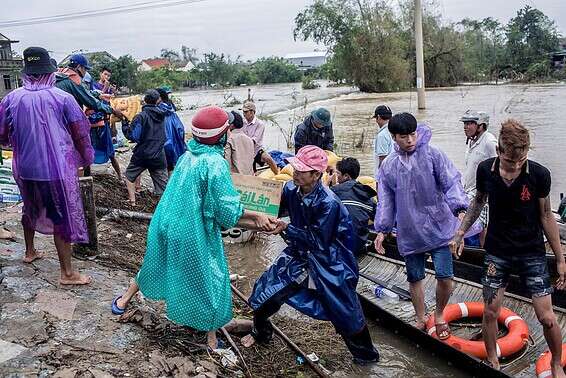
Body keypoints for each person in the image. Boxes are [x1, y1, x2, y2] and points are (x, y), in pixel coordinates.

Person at [111, 106, 276, 350]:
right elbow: (226, 211)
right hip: (192, 232)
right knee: (210, 279)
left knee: (155, 263)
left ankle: (123, 300)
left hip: (165, 222)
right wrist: (257, 217)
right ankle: (211, 341)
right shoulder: (215, 164)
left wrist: (254, 219)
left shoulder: (187, 156)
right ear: (222, 135)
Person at [241, 146, 379, 364]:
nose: (295, 173)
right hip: (299, 255)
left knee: (346, 311)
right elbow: (272, 207)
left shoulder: (328, 202)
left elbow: (319, 240)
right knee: (266, 291)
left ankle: (366, 357)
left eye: (301, 170)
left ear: (316, 175)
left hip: (330, 262)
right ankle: (261, 333)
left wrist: (285, 228)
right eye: (295, 168)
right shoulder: (290, 190)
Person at [450, 120, 566, 374]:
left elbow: (547, 215)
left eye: (521, 160)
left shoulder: (539, 174)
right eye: (511, 162)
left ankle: (556, 362)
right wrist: (459, 234)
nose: (516, 166)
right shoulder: (485, 171)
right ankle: (492, 357)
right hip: (497, 252)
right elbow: (478, 203)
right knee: (491, 311)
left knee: (546, 317)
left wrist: (559, 258)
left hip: (532, 252)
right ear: (499, 151)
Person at [374, 112, 473, 338]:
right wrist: (382, 228)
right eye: (403, 136)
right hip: (410, 229)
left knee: (445, 277)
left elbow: (451, 182)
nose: (410, 140)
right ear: (393, 137)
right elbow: (386, 200)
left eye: (412, 134)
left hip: (440, 226)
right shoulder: (389, 166)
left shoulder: (433, 154)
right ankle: (420, 316)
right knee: (414, 276)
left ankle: (439, 314)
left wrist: (460, 209)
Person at [0, 47, 94, 285]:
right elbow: (80, 133)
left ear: (26, 72)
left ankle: (30, 251)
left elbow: (2, 134)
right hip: (55, 169)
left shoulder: (11, 98)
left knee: (29, 207)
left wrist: (19, 142)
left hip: (25, 167)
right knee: (60, 215)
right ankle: (68, 273)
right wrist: (85, 158)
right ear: (50, 72)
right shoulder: (63, 98)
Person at [55, 54, 123, 177]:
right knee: (82, 152)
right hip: (69, 123)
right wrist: (112, 110)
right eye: (85, 69)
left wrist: (98, 95)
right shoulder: (73, 80)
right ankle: (83, 181)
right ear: (79, 67)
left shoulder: (60, 76)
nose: (85, 72)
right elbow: (91, 102)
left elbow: (84, 93)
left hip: (56, 122)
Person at [122, 90, 168, 205]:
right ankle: (163, 208)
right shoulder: (162, 115)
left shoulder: (141, 116)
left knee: (129, 176)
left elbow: (133, 137)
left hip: (142, 155)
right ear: (158, 101)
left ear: (145, 101)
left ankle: (132, 201)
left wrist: (125, 124)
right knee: (162, 187)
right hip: (159, 155)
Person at [460, 110, 498, 247]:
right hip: (469, 189)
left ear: (480, 126)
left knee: (483, 223)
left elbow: (498, 166)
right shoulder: (471, 142)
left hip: (483, 191)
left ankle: (484, 252)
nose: (466, 127)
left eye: (470, 123)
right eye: (465, 123)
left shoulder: (489, 142)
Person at [331, 157, 376, 256]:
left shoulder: (333, 193)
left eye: (338, 173)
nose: (336, 176)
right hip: (359, 248)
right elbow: (379, 219)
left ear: (346, 176)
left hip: (338, 249)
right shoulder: (368, 196)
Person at [85, 67, 123, 180]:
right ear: (100, 74)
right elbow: (94, 100)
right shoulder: (93, 87)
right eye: (105, 74)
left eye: (108, 75)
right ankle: (88, 175)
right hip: (91, 123)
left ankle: (119, 175)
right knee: (88, 148)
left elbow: (111, 104)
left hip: (104, 122)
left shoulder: (110, 90)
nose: (106, 77)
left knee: (110, 150)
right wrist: (105, 90)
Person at [240, 101, 279, 174]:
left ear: (252, 112)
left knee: (268, 158)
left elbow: (254, 141)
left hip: (256, 149)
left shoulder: (260, 124)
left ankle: (277, 174)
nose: (244, 114)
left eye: (246, 112)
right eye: (243, 112)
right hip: (246, 151)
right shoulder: (242, 123)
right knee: (250, 170)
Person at [156, 87, 187, 173]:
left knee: (165, 168)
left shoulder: (157, 112)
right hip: (173, 143)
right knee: (172, 167)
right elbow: (181, 129)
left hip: (163, 144)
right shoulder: (171, 111)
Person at [224, 110, 255, 175]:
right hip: (250, 178)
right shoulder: (249, 140)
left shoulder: (230, 139)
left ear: (231, 125)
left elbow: (227, 164)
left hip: (236, 179)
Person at [372, 105, 393, 175]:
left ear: (378, 117)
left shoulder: (382, 135)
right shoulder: (396, 130)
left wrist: (380, 180)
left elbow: (383, 160)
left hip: (386, 175)